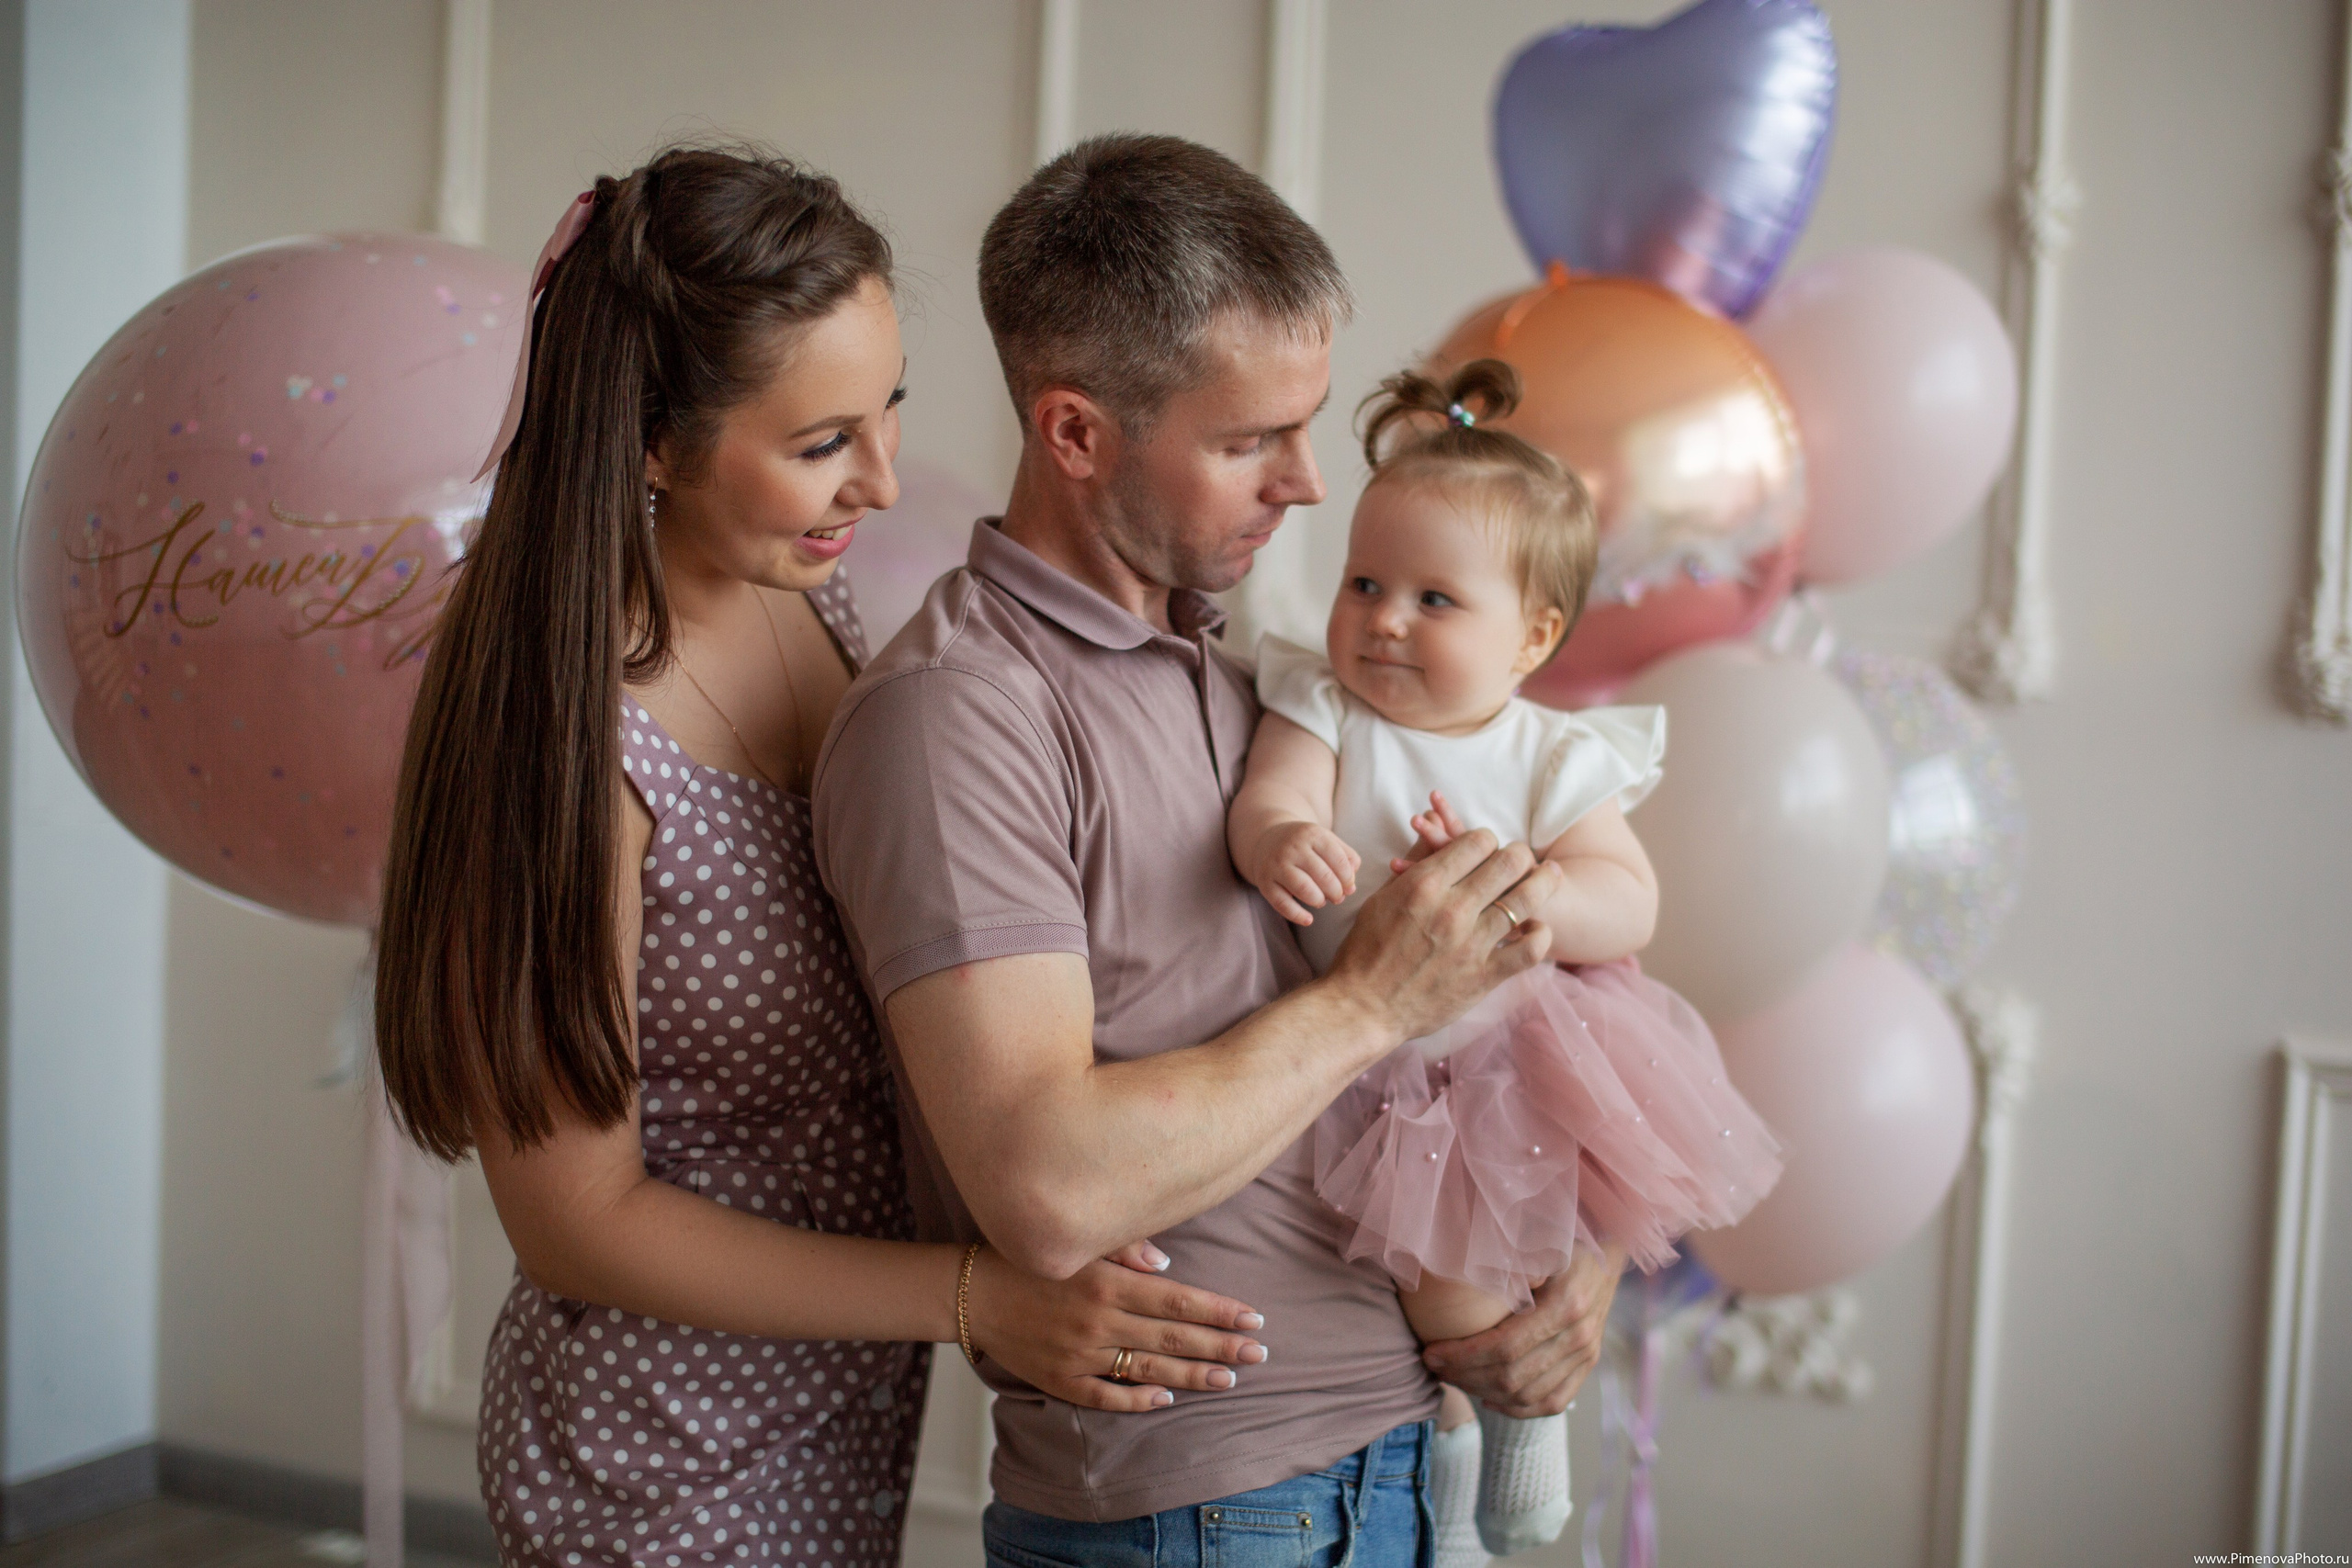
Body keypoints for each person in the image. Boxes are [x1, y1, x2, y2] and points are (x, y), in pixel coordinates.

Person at [372, 145, 1271, 1568]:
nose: (884, 480)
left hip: (845, 1419)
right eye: (820, 445)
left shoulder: (812, 610)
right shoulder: (568, 740)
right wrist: (973, 1294)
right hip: (661, 1463)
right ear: (652, 444)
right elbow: (576, 1228)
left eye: (889, 408)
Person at [812, 135, 1621, 1568]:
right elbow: (1048, 1184)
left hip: (1388, 1460)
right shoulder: (961, 714)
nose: (1307, 485)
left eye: (1306, 429)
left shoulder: (1253, 681)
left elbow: (1531, 1003)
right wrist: (1375, 1000)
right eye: (1250, 441)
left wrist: (1576, 1272)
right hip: (1205, 1509)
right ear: (1076, 434)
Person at [1227, 360, 1783, 1561]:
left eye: (1435, 599)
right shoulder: (1326, 707)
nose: (1384, 618)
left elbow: (1627, 899)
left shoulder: (1553, 757)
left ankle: (1528, 1428)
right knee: (1433, 1288)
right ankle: (1459, 1454)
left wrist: (1537, 891)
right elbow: (1274, 797)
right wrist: (1283, 840)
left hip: (1509, 1057)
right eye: (1365, 584)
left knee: (1506, 1266)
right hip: (1370, 1053)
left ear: (1533, 635)